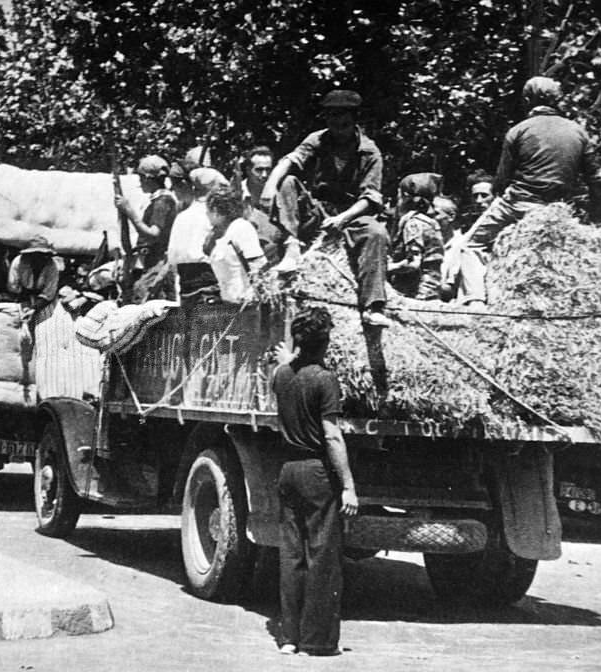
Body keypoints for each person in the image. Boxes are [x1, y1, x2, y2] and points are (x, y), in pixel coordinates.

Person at [454, 76, 601, 305]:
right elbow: (596, 180)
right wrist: (596, 218)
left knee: (469, 246)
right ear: (558, 100)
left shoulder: (518, 131)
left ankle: (475, 300)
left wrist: (500, 195)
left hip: (518, 204)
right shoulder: (578, 132)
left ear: (527, 100)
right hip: (558, 209)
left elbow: (501, 181)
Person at [260, 89, 391, 328]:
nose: (337, 125)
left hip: (353, 213)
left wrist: (343, 218)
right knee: (288, 181)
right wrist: (269, 186)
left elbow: (371, 198)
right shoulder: (318, 139)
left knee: (377, 233)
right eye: (331, 118)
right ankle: (292, 247)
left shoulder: (370, 152)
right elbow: (289, 161)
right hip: (318, 208)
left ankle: (373, 306)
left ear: (353, 120)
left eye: (342, 120)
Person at [271, 306, 357, 656]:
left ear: (297, 340)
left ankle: (288, 638)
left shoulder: (280, 375)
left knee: (292, 557)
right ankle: (317, 642)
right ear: (326, 343)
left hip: (287, 470)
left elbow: (290, 369)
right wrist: (349, 484)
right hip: (316, 472)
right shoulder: (325, 379)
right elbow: (332, 436)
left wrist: (290, 357)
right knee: (322, 557)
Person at [115, 155, 179, 301]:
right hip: (150, 260)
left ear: (149, 179)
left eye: (141, 178)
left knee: (143, 294)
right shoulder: (158, 200)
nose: (140, 182)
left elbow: (153, 234)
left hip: (158, 261)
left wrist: (129, 211)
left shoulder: (162, 202)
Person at [167, 168, 230, 299]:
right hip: (209, 277)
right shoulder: (214, 216)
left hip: (185, 281)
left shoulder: (182, 217)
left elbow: (172, 257)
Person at [203, 188, 266, 304]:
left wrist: (252, 293)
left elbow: (257, 263)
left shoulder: (241, 228)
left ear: (216, 211)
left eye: (208, 211)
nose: (206, 214)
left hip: (246, 306)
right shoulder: (222, 234)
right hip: (229, 304)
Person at [388, 173, 445, 300]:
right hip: (431, 288)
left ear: (406, 197)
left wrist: (385, 268)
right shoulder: (430, 222)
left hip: (417, 293)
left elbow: (413, 263)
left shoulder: (413, 224)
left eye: (398, 195)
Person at [237, 146, 282, 261]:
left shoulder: (280, 192)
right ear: (248, 170)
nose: (264, 175)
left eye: (268, 170)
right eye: (259, 170)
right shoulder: (237, 193)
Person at [8, 235, 60, 321]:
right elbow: (13, 286)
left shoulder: (52, 266)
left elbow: (49, 293)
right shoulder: (18, 262)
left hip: (43, 299)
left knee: (47, 319)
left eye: (42, 255)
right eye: (35, 255)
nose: (38, 258)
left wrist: (34, 308)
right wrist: (26, 301)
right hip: (22, 295)